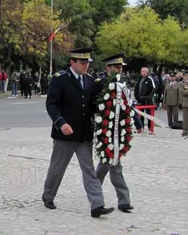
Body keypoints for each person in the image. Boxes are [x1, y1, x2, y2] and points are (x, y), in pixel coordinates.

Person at [43, 48, 114, 218]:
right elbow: (51, 105)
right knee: (58, 167)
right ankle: (48, 196)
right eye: (82, 63)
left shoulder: (89, 80)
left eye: (87, 62)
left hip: (83, 134)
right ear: (72, 62)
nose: (86, 66)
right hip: (65, 135)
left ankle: (97, 204)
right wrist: (61, 123)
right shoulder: (60, 80)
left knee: (89, 169)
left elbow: (90, 106)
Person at [94, 53, 134, 213]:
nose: (119, 70)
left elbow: (129, 105)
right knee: (112, 162)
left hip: (119, 129)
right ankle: (123, 200)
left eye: (121, 67)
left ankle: (93, 190)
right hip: (104, 129)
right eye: (116, 67)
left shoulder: (123, 84)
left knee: (108, 162)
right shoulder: (100, 83)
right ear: (108, 68)